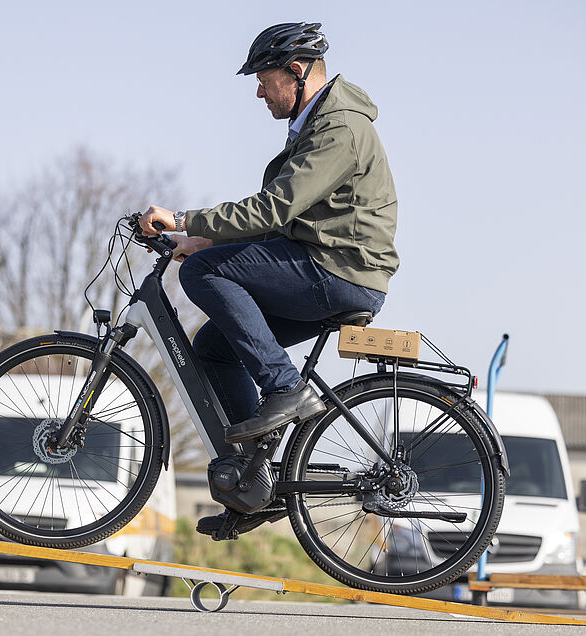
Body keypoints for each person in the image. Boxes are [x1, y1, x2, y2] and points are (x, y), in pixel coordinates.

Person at [139, 22, 399, 537]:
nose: (259, 93)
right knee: (214, 346)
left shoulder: (339, 129)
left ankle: (285, 388)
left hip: (340, 271)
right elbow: (288, 219)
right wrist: (203, 238)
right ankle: (252, 481)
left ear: (295, 72)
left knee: (206, 272)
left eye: (263, 80)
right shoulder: (318, 122)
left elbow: (275, 208)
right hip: (325, 262)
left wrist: (187, 220)